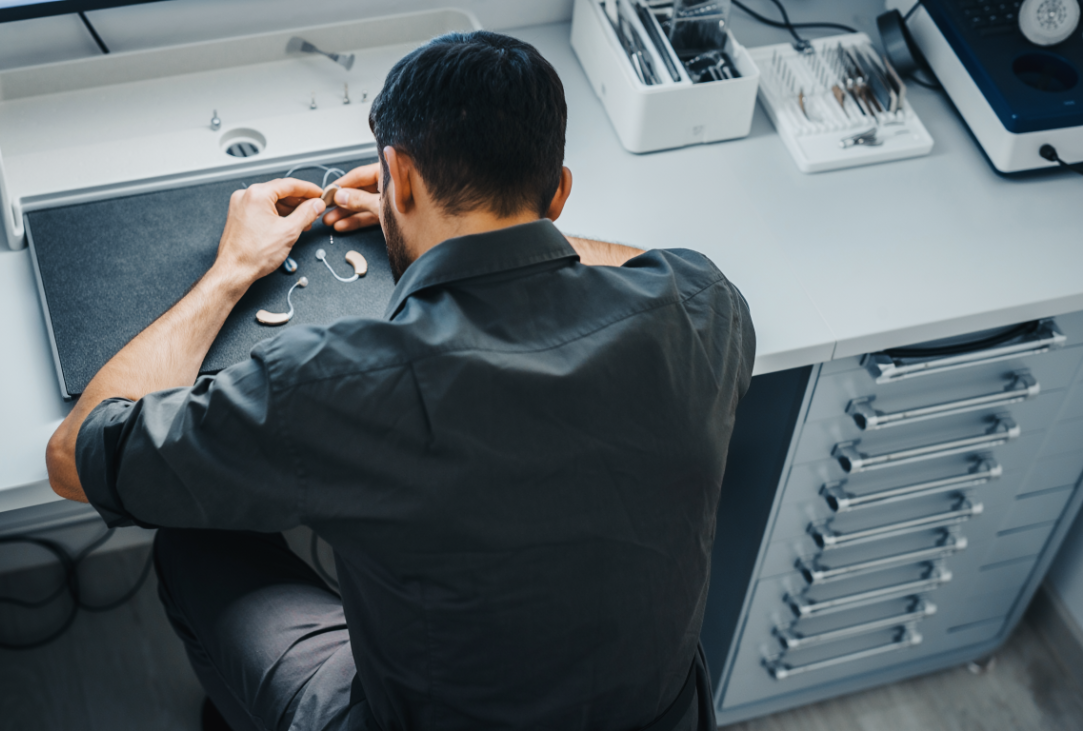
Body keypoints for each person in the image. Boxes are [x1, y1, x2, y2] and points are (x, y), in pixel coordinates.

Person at [46, 30, 754, 731]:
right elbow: (645, 264)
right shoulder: (701, 308)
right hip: (661, 716)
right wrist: (496, 223)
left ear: (401, 175)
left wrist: (231, 269)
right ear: (560, 192)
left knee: (192, 541)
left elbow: (75, 454)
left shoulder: (335, 382)